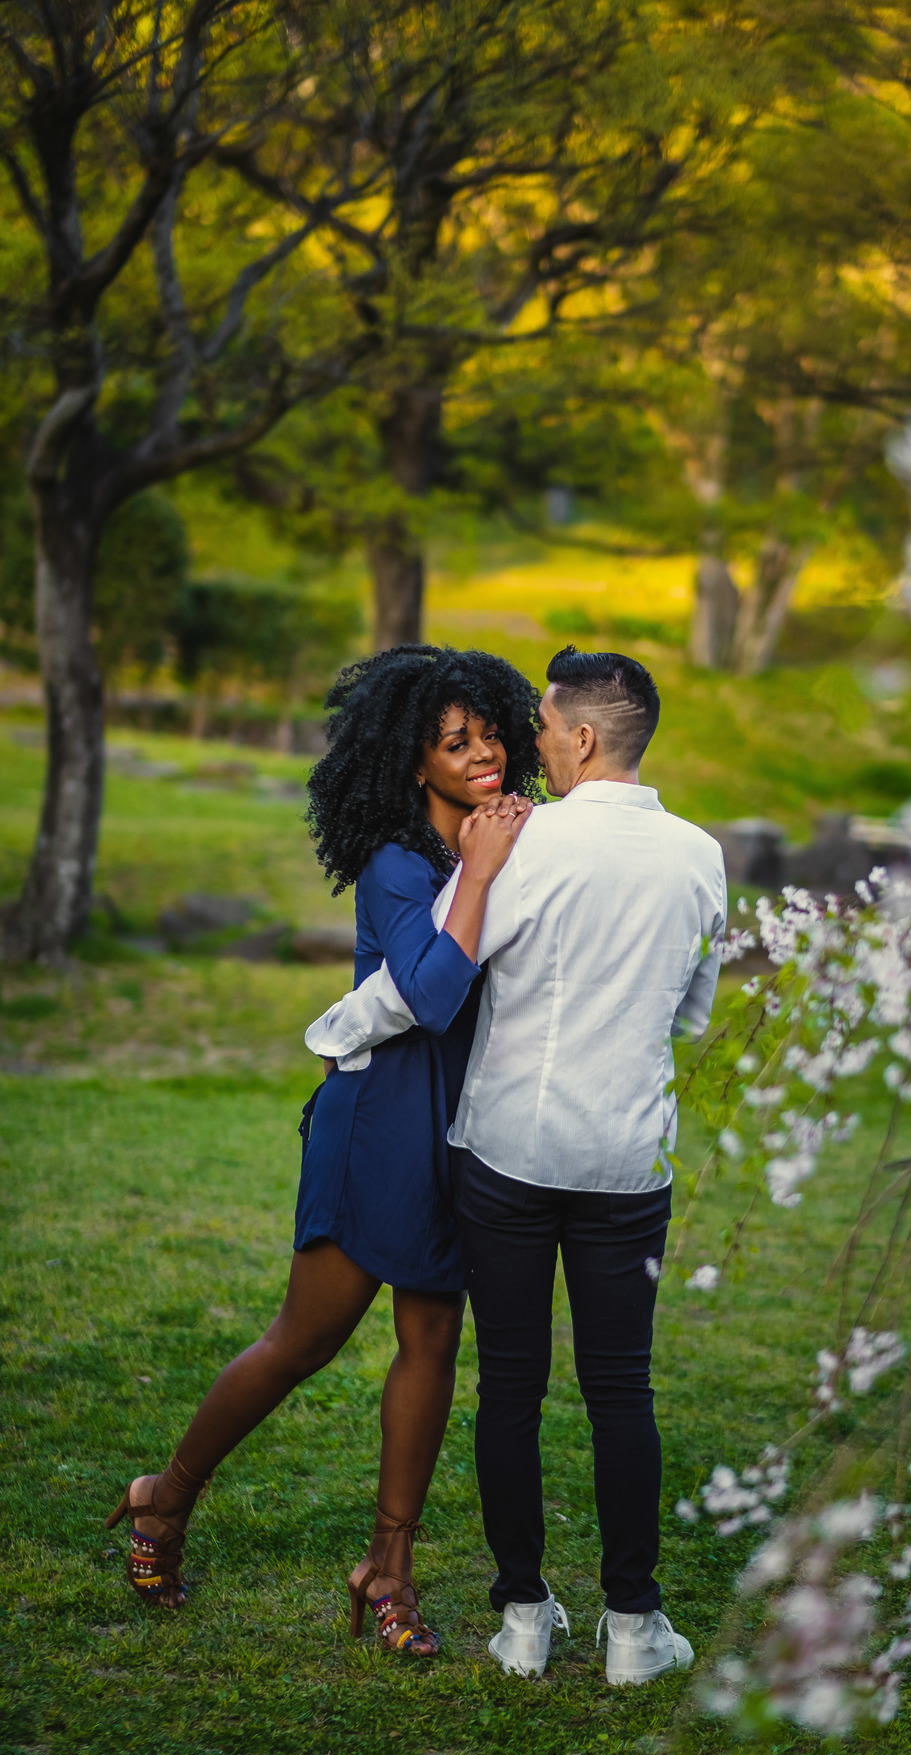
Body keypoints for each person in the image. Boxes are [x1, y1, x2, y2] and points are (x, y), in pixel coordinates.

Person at [105, 646, 539, 1658]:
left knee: (433, 1344)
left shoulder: (511, 834)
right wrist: (479, 871)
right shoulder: (400, 860)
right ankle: (163, 1501)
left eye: (490, 733)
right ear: (413, 762)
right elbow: (429, 998)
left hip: (461, 1124)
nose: (484, 753)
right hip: (379, 1116)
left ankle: (388, 1570)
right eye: (455, 742)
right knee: (307, 1340)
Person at [309, 647, 727, 1685]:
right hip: (628, 1157)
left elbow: (431, 985)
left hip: (508, 1151)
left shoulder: (520, 847)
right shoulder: (703, 856)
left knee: (511, 1390)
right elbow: (692, 1012)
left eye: (538, 725)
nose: (526, 744)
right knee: (622, 1392)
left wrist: (339, 1028)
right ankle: (633, 1628)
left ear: (582, 739)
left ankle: (523, 1618)